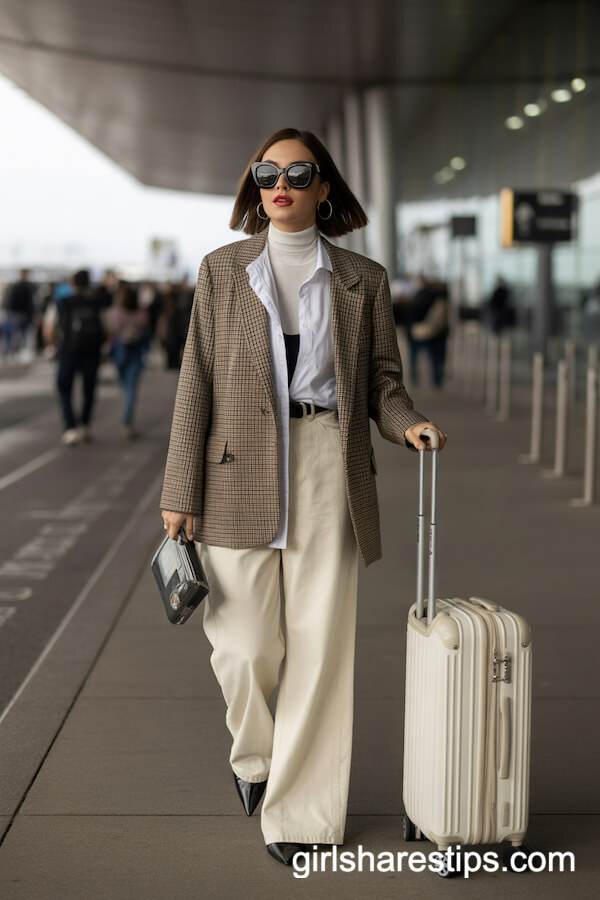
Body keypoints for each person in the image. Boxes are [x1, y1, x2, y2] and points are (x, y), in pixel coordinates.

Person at [159, 127, 447, 868]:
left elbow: (383, 381)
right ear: (254, 186)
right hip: (233, 468)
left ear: (324, 187)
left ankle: (305, 815)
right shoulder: (222, 270)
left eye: (298, 171)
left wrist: (408, 422)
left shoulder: (363, 278)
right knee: (245, 646)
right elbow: (196, 381)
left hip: (328, 460)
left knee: (320, 648)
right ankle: (255, 756)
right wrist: (178, 487)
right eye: (266, 171)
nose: (279, 183)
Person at [43, 269, 105, 445]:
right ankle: (84, 424)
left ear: (72, 283)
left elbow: (49, 328)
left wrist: (53, 345)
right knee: (89, 389)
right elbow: (106, 328)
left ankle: (70, 427)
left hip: (67, 351)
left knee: (64, 388)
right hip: (91, 352)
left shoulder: (62, 302)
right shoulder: (96, 303)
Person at [106, 282, 151, 439]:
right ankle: (127, 422)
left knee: (125, 386)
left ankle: (127, 419)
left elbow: (111, 333)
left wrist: (107, 351)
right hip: (136, 352)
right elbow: (146, 330)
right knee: (130, 388)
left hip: (120, 351)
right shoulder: (141, 313)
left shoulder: (115, 312)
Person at [407, 276, 450, 388]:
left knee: (414, 358)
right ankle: (436, 380)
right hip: (431, 332)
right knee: (433, 358)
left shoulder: (415, 297)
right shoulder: (435, 297)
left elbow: (410, 315)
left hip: (416, 331)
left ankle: (414, 378)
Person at [2, 268, 37, 359]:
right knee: (16, 335)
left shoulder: (29, 286)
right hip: (17, 314)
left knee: (21, 335)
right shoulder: (20, 286)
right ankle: (12, 352)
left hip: (22, 314)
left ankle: (15, 352)